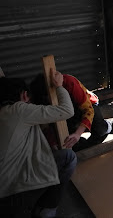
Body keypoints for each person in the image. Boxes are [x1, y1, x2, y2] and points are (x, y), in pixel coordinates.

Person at [0, 71, 77, 217]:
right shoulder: (18, 110)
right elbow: (67, 110)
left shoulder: (4, 114)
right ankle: (45, 210)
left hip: (4, 192)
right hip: (12, 195)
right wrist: (60, 86)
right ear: (24, 95)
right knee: (68, 157)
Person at [30, 73, 113, 152]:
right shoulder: (39, 97)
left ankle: (110, 123)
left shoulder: (70, 83)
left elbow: (88, 110)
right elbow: (46, 124)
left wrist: (77, 134)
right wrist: (53, 144)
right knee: (72, 144)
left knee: (100, 130)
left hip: (88, 106)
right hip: (67, 114)